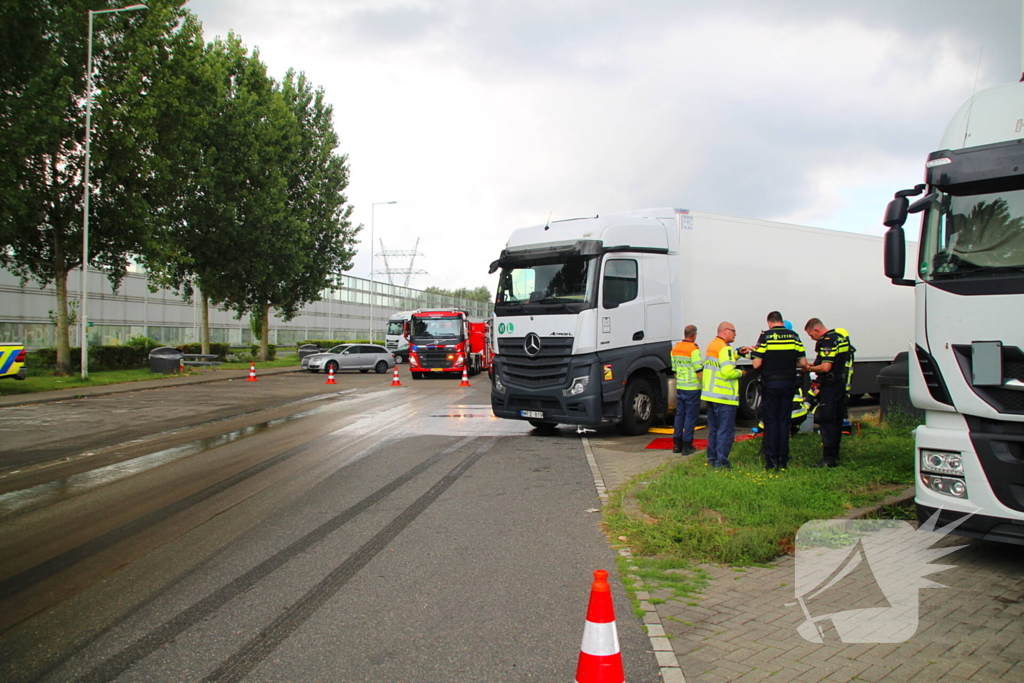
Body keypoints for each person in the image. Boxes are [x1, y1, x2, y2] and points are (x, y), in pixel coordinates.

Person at [751, 311, 808, 470]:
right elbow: (803, 363)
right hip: (788, 383)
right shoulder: (794, 336)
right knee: (784, 422)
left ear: (769, 322)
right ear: (781, 321)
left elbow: (756, 364)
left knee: (771, 421)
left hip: (770, 384)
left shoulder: (766, 336)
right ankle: (783, 460)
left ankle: (771, 461)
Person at [803, 318, 852, 468]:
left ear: (817, 330)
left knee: (826, 420)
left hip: (830, 386)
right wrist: (814, 364)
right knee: (837, 421)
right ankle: (835, 455)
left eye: (811, 335)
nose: (812, 339)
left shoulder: (827, 341)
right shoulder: (840, 338)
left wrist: (809, 369)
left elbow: (825, 367)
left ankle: (828, 459)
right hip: (840, 384)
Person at [701, 321, 748, 469]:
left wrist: (738, 353)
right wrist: (741, 373)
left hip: (711, 394)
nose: (735, 334)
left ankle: (713, 458)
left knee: (714, 430)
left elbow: (722, 362)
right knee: (725, 431)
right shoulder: (725, 348)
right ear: (725, 331)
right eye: (734, 331)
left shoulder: (713, 345)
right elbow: (727, 372)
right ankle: (722, 462)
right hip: (724, 397)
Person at [671, 325, 702, 455]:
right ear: (694, 335)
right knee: (690, 416)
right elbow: (698, 370)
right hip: (692, 388)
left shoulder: (676, 348)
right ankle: (687, 445)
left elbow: (674, 371)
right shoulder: (693, 349)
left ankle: (677, 444)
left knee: (680, 415)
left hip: (681, 386)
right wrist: (705, 385)